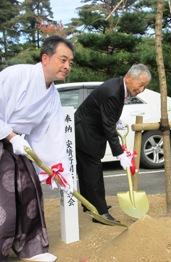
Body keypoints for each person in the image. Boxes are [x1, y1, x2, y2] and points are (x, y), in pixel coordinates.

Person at [0, 35, 74, 261]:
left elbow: (50, 136)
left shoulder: (52, 97)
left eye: (70, 62)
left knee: (30, 191)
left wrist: (58, 172)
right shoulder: (16, 75)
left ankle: (31, 250)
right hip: (7, 138)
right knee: (5, 200)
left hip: (18, 145)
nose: (67, 66)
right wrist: (11, 136)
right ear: (45, 58)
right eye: (63, 60)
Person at [75, 64, 151, 224]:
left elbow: (108, 116)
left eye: (145, 86)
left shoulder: (120, 87)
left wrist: (117, 121)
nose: (142, 89)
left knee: (88, 170)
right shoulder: (114, 92)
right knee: (92, 170)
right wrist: (120, 153)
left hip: (89, 130)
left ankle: (91, 206)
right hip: (86, 132)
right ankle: (100, 213)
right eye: (141, 84)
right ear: (130, 77)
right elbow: (108, 126)